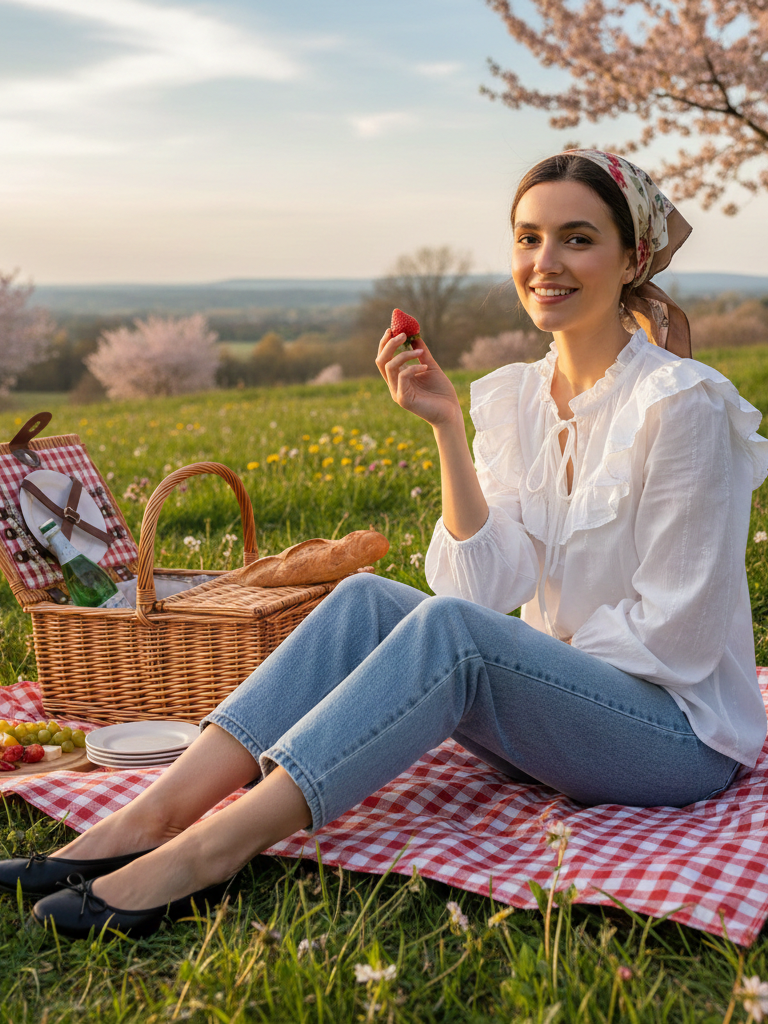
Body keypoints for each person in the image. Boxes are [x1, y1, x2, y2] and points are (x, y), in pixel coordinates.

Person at [4, 150, 767, 940]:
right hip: (559, 725)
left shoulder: (683, 405)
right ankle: (148, 818)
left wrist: (523, 661)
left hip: (676, 742)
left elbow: (678, 639)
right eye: (528, 237)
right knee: (366, 599)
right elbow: (481, 588)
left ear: (633, 257)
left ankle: (208, 853)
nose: (546, 262)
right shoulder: (521, 399)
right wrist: (446, 427)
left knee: (453, 634)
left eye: (577, 238)